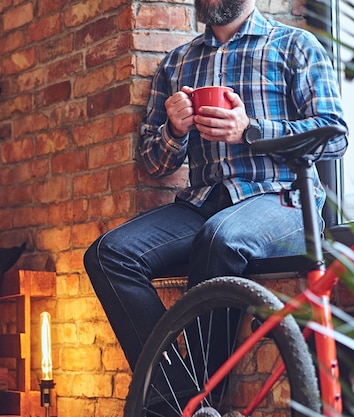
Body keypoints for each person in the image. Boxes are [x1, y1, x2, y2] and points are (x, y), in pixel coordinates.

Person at [83, 0, 348, 372]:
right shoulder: (177, 63)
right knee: (109, 254)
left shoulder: (294, 45)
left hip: (280, 200)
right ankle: (178, 396)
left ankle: (206, 394)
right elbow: (154, 164)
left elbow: (335, 137)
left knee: (219, 237)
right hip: (203, 201)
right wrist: (174, 131)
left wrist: (251, 131)